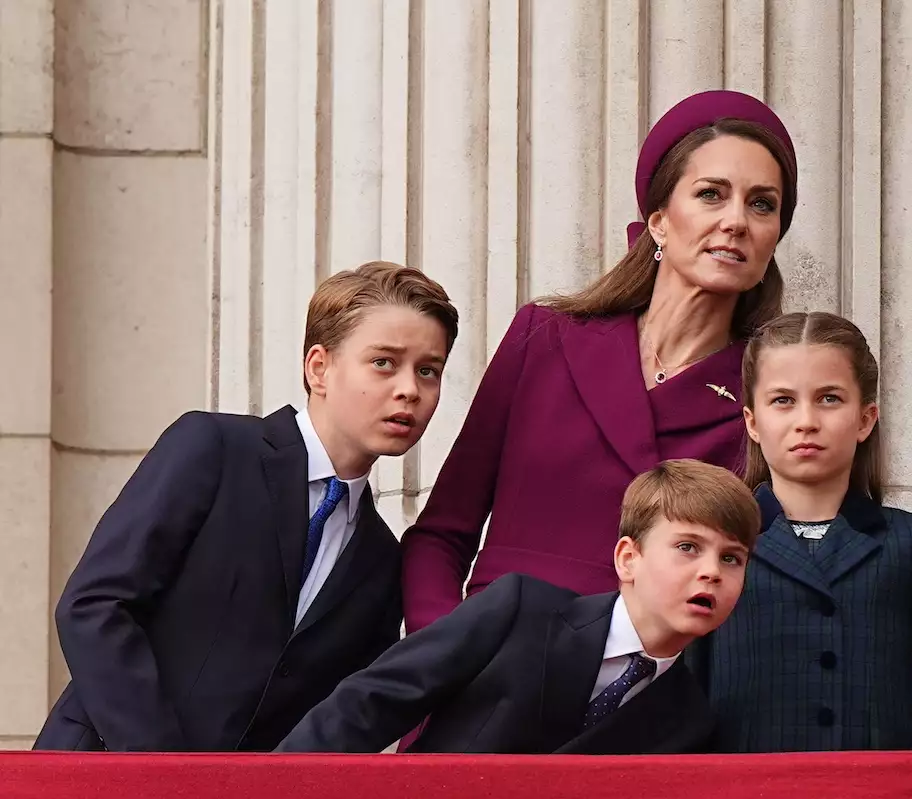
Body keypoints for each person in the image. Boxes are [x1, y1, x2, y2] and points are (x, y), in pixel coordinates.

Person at [401, 90, 798, 634]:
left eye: (762, 204)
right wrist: (444, 655)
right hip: (493, 665)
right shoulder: (544, 338)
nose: (736, 221)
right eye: (711, 194)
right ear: (659, 221)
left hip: (651, 679)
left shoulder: (769, 397)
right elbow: (441, 534)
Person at [34, 262, 459, 752]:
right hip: (102, 767)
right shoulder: (214, 449)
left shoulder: (382, 559)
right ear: (318, 368)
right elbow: (93, 606)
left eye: (428, 370)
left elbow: (340, 715)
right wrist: (163, 772)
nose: (409, 389)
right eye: (384, 362)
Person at [275, 459, 758, 755]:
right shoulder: (521, 610)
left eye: (732, 558)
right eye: (688, 547)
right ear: (628, 558)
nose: (711, 571)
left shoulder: (688, 721)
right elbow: (371, 702)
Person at [692, 312, 912, 752]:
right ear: (752, 421)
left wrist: (901, 783)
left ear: (865, 419)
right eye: (783, 400)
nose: (806, 421)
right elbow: (677, 706)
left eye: (829, 398)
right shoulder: (713, 544)